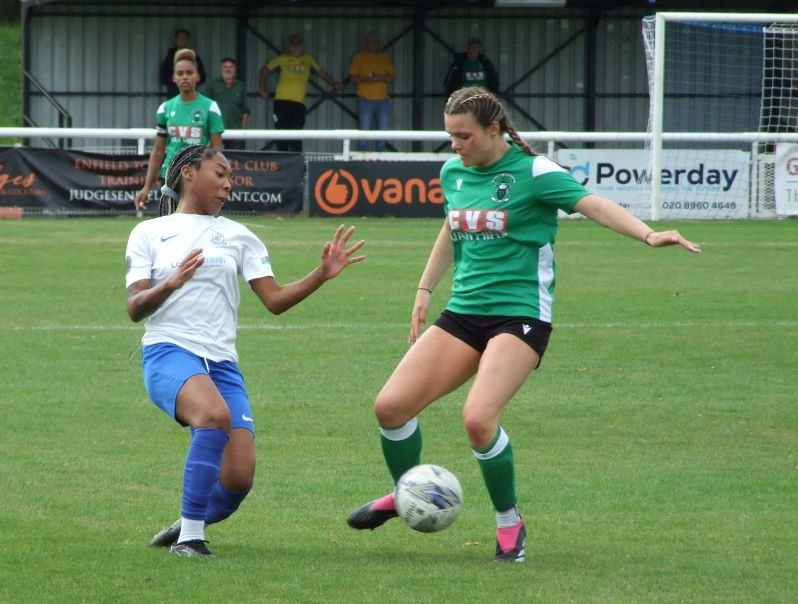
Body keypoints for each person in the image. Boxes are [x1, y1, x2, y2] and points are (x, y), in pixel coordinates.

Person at [345, 87, 701, 562]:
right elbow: (453, 227)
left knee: (477, 418)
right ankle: (408, 491)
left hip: (520, 316)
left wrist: (648, 233)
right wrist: (424, 289)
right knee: (390, 407)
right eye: (449, 135)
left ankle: (509, 520)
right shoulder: (454, 171)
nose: (454, 145)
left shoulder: (536, 173)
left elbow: (594, 205)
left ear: (494, 130)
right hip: (465, 312)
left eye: (463, 135)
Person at [125, 144, 366, 558]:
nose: (228, 184)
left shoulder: (239, 236)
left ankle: (189, 519)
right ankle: (191, 541)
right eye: (220, 174)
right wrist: (170, 284)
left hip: (221, 364)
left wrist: (321, 275)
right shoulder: (148, 233)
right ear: (188, 174)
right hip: (168, 352)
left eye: (231, 178)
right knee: (213, 417)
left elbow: (274, 300)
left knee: (238, 478)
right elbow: (134, 308)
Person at [135, 49, 224, 212]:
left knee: (197, 227)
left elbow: (216, 149)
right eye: (180, 73)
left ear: (197, 76)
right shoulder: (165, 109)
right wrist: (146, 187)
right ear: (174, 78)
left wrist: (215, 179)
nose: (185, 77)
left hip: (198, 177)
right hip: (170, 175)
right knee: (169, 226)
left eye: (189, 72)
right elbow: (158, 150)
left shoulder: (210, 107)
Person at [258, 32, 343, 153]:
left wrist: (334, 83)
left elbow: (321, 73)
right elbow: (265, 69)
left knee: (296, 136)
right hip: (281, 102)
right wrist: (262, 89)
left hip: (298, 104)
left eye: (298, 43)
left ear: (302, 45)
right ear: (289, 45)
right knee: (281, 135)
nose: (296, 46)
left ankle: (296, 165)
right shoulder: (283, 58)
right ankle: (282, 165)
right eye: (293, 43)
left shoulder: (308, 59)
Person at [348, 32, 396, 152]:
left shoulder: (384, 58)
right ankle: (360, 160)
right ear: (367, 44)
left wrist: (378, 77)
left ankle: (381, 160)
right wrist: (366, 79)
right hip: (365, 100)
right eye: (371, 42)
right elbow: (352, 78)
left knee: (382, 133)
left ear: (378, 44)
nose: (373, 45)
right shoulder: (359, 57)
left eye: (376, 42)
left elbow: (392, 77)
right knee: (363, 132)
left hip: (382, 101)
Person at [204, 57, 250, 150]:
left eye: (231, 67)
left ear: (235, 69)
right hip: (216, 131)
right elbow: (205, 108)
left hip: (235, 131)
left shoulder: (240, 86)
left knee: (234, 161)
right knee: (217, 158)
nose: (228, 69)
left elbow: (245, 110)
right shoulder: (212, 85)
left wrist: (243, 131)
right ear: (221, 68)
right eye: (225, 67)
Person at [160, 28, 207, 99]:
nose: (182, 41)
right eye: (180, 38)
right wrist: (178, 83)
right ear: (175, 40)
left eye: (185, 38)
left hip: (191, 94)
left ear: (188, 40)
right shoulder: (169, 58)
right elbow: (163, 77)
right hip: (174, 94)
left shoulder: (195, 57)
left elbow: (202, 76)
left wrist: (191, 82)